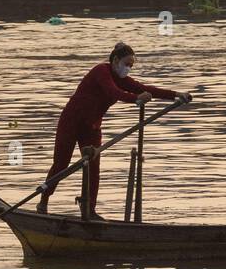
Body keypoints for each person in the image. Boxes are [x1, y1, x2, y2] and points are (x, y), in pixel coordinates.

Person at [37, 42, 191, 217]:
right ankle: (44, 201)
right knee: (61, 164)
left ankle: (89, 209)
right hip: (71, 122)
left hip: (92, 127)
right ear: (115, 60)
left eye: (131, 66)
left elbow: (146, 89)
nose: (128, 69)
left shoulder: (123, 79)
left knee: (93, 168)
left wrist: (177, 95)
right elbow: (113, 92)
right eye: (127, 64)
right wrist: (136, 99)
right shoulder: (101, 71)